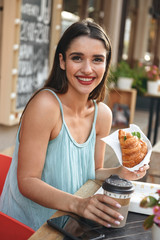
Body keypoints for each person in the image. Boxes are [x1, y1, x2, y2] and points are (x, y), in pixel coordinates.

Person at [0, 20, 149, 231]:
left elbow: (93, 171)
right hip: (29, 227)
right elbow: (27, 181)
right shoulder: (45, 106)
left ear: (106, 64)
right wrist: (79, 204)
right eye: (77, 58)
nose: (87, 69)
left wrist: (120, 172)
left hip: (70, 223)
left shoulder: (102, 115)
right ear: (62, 61)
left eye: (97, 59)